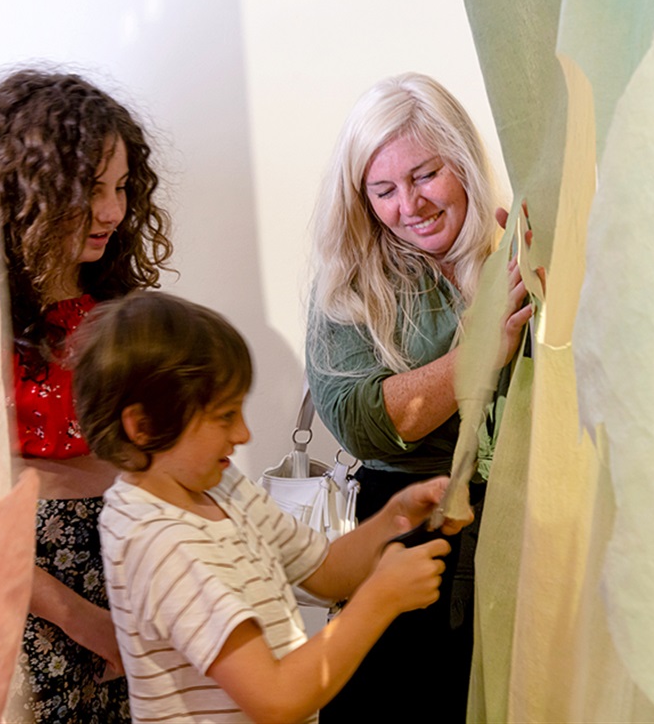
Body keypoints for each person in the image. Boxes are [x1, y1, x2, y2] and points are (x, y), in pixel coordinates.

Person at [71, 290, 466, 724]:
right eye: (224, 416)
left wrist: (396, 516)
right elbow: (275, 699)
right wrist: (379, 600)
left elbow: (326, 572)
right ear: (143, 426)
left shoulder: (221, 487)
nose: (243, 433)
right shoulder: (160, 540)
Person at [305, 72, 536, 722]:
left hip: (524, 537)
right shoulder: (348, 287)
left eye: (426, 175)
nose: (409, 205)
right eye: (383, 189)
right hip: (406, 537)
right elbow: (366, 424)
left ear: (462, 160)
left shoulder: (520, 250)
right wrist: (476, 358)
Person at [0, 67, 173, 723]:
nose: (114, 212)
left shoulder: (120, 309)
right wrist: (82, 619)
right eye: (91, 190)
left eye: (122, 188)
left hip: (131, 573)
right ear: (27, 188)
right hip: (23, 592)